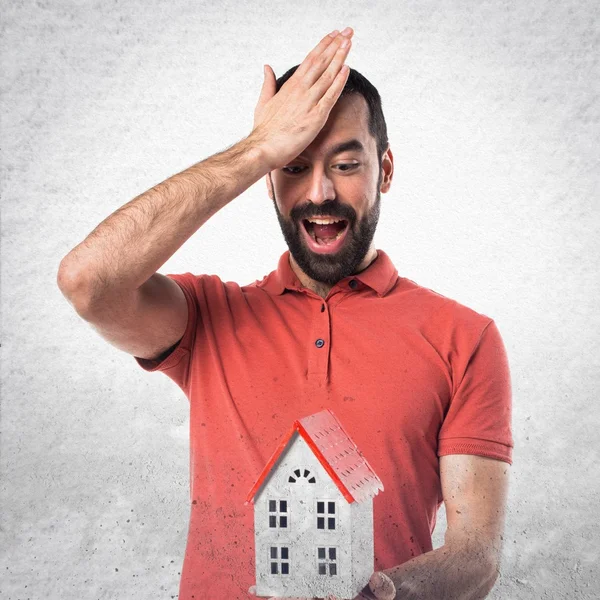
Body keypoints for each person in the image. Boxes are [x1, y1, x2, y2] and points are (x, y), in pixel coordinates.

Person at [57, 27, 513, 600]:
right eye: (293, 167)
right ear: (268, 181)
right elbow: (87, 282)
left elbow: (477, 557)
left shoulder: (464, 338)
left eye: (346, 165)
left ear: (386, 170)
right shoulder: (207, 317)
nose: (319, 192)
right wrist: (256, 149)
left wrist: (381, 592)